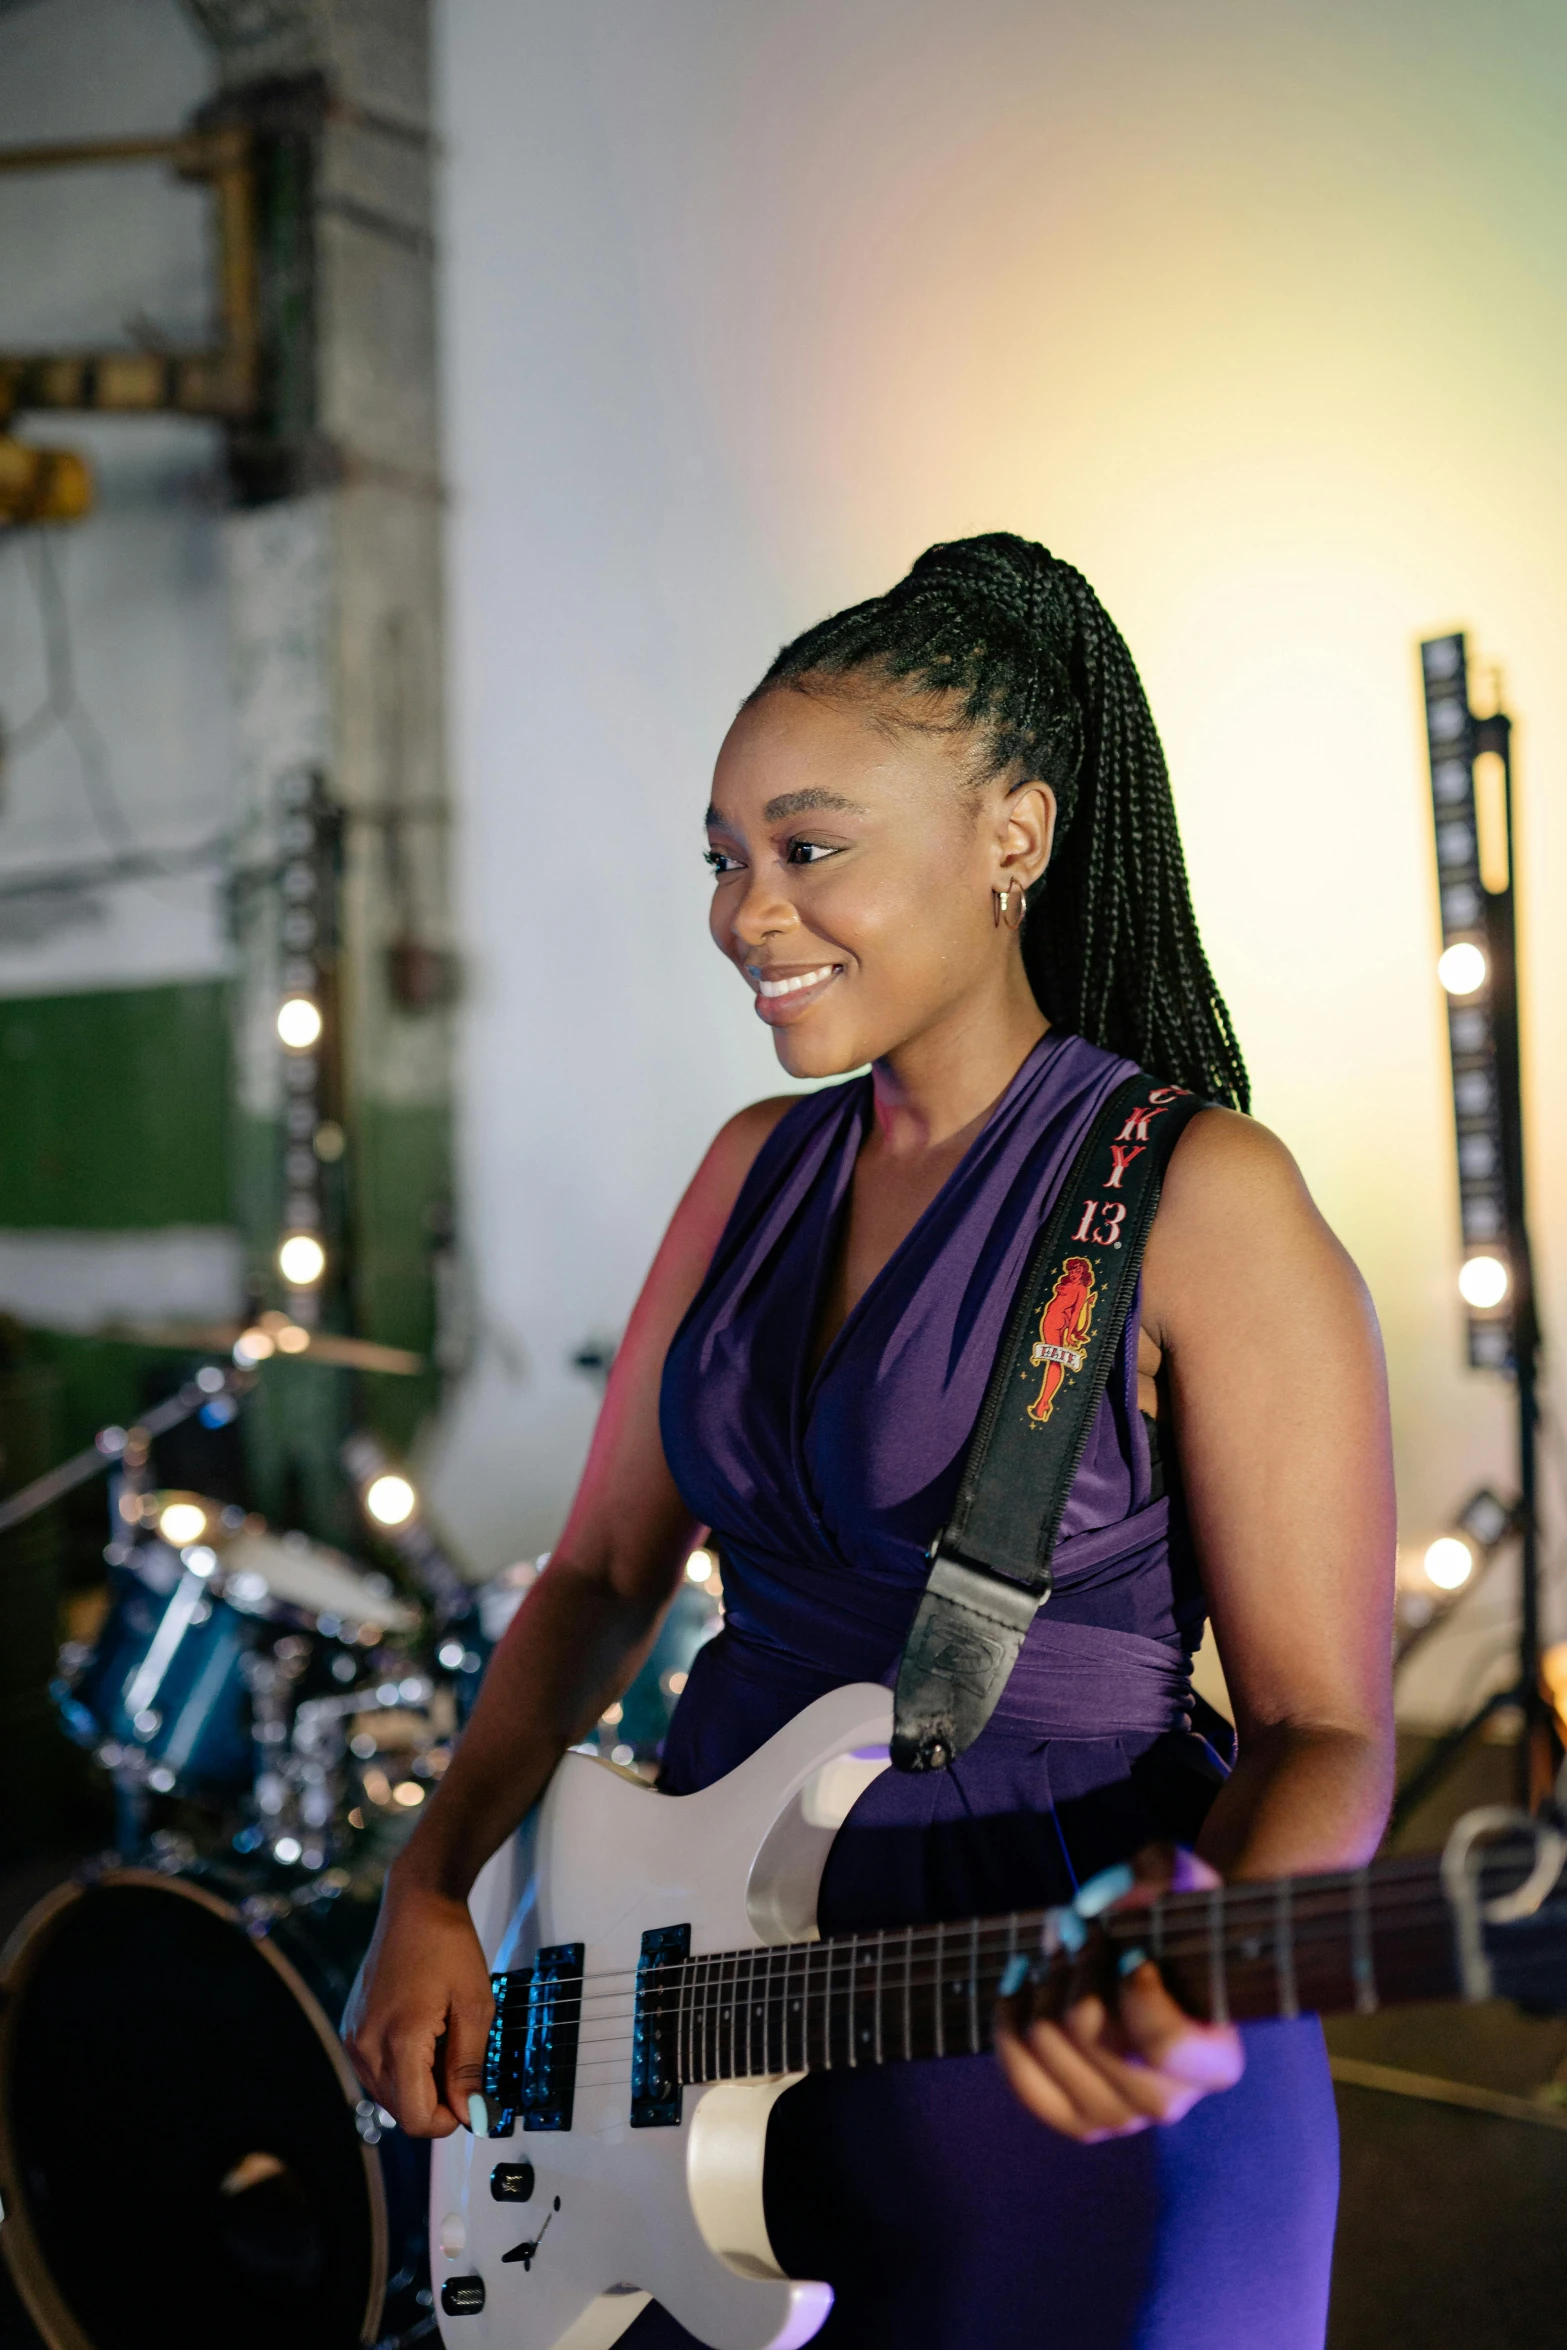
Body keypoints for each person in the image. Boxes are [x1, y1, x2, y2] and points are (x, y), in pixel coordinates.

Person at [345, 534, 1395, 2348]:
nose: (747, 911)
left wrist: (1201, 1946)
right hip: (693, 2020)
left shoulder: (1201, 1196)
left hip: (1055, 2049)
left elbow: (1326, 1726)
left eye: (807, 848)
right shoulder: (754, 1166)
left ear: (1013, 838)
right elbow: (603, 1572)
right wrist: (432, 1876)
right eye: (725, 858)